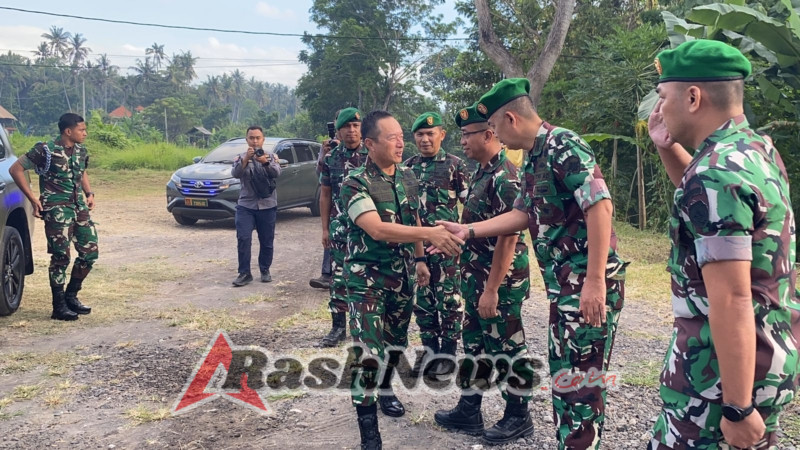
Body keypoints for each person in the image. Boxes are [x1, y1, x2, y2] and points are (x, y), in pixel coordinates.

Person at [435, 78, 627, 449]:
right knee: (565, 380)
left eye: (494, 129)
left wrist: (595, 281)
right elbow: (521, 213)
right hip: (563, 287)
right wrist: (468, 230)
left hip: (584, 287)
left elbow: (600, 207)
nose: (496, 137)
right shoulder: (534, 156)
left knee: (581, 388)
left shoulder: (562, 145)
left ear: (510, 118)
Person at [646, 39, 800, 450]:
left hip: (717, 384)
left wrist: (736, 408)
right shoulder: (753, 149)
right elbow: (711, 216)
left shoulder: (715, 174)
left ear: (693, 97)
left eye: (662, 97)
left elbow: (732, 298)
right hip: (764, 359)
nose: (658, 109)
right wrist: (667, 145)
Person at [339, 110, 464, 450]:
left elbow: (414, 218)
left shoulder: (408, 176)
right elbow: (377, 228)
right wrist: (432, 234)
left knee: (393, 344)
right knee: (367, 352)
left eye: (400, 136)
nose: (400, 142)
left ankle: (385, 388)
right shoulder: (354, 182)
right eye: (391, 137)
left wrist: (421, 258)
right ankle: (370, 435)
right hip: (366, 283)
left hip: (402, 278)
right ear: (369, 144)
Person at [434, 103, 535, 444]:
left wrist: (491, 290)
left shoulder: (505, 176)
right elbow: (480, 227)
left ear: (490, 135)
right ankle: (469, 409)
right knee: (475, 345)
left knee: (507, 350)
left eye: (467, 135)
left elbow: (508, 237)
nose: (461, 142)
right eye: (461, 135)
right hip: (477, 279)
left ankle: (519, 416)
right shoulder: (482, 171)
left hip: (500, 284)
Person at [9, 113, 98, 321]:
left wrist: (89, 193)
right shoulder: (45, 149)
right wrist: (32, 199)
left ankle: (71, 297)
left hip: (78, 207)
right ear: (68, 131)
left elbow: (82, 170)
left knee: (90, 253)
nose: (85, 133)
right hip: (57, 209)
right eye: (81, 130)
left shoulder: (80, 149)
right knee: (61, 257)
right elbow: (16, 169)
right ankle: (58, 306)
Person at [403, 112, 469, 378]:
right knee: (424, 301)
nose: (425, 139)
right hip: (417, 248)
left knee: (449, 301)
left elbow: (469, 206)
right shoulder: (407, 169)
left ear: (442, 135)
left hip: (446, 249)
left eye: (431, 133)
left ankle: (448, 355)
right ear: (414, 138)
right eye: (420, 134)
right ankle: (429, 353)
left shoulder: (455, 165)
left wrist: (460, 238)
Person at [316, 107, 370, 347]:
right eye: (347, 126)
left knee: (368, 277)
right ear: (338, 130)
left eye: (355, 126)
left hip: (368, 228)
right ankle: (338, 328)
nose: (351, 131)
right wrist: (325, 229)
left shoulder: (372, 153)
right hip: (340, 229)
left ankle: (366, 326)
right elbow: (325, 195)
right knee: (338, 279)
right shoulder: (331, 157)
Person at [230, 126, 281, 286]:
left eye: (258, 137)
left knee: (266, 240)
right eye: (251, 138)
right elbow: (235, 174)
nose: (255, 141)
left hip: (267, 205)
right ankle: (244, 273)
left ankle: (265, 270)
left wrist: (265, 162)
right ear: (247, 140)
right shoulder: (240, 157)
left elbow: (277, 173)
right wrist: (245, 159)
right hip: (246, 204)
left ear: (263, 139)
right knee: (243, 238)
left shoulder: (271, 157)